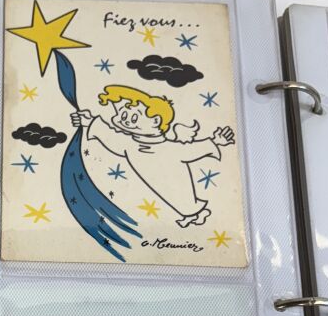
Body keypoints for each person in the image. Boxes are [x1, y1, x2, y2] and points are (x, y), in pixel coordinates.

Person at [71, 85, 235, 228]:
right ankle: (191, 214)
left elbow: (192, 150)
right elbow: (111, 137)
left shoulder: (168, 148)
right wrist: (90, 121)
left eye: (134, 117)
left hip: (175, 183)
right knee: (173, 199)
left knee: (180, 198)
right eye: (123, 116)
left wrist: (216, 141)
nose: (126, 121)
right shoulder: (130, 144)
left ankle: (195, 213)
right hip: (161, 185)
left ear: (156, 121)